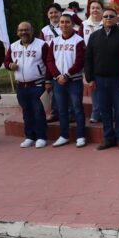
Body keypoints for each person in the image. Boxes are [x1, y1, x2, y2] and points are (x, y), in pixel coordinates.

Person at [84, 6, 119, 150]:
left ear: (117, 19)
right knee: (104, 110)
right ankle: (108, 138)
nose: (108, 19)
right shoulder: (94, 36)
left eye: (111, 16)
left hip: (118, 79)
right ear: (102, 19)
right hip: (100, 79)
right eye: (105, 16)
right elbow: (88, 58)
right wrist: (90, 78)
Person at [4, 21, 51, 148]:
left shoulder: (42, 45)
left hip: (37, 85)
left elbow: (49, 64)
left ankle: (41, 137)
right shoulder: (13, 46)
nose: (23, 32)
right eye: (21, 30)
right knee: (26, 113)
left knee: (38, 113)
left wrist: (48, 81)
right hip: (21, 86)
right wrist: (10, 65)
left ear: (32, 31)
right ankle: (30, 137)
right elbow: (6, 61)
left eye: (26, 30)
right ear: (17, 32)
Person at [45, 13, 87, 148]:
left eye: (67, 22)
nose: (64, 24)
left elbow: (80, 61)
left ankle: (81, 136)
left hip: (74, 80)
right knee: (61, 110)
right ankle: (64, 136)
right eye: (62, 22)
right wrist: (57, 75)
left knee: (77, 109)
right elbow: (50, 60)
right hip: (58, 81)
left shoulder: (79, 40)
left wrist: (67, 75)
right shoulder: (55, 41)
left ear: (72, 24)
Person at [39, 3, 62, 123]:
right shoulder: (44, 30)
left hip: (64, 62)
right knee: (54, 91)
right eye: (51, 13)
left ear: (60, 13)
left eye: (56, 12)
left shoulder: (66, 26)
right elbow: (41, 47)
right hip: (50, 64)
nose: (53, 15)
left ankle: (70, 113)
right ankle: (54, 113)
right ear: (48, 15)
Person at [82, 1, 104, 124]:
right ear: (89, 10)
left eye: (97, 8)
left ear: (102, 10)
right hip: (90, 61)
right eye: (92, 8)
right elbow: (80, 43)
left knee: (106, 88)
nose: (95, 10)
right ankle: (95, 113)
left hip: (105, 60)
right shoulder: (84, 25)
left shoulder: (106, 23)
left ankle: (106, 113)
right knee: (93, 87)